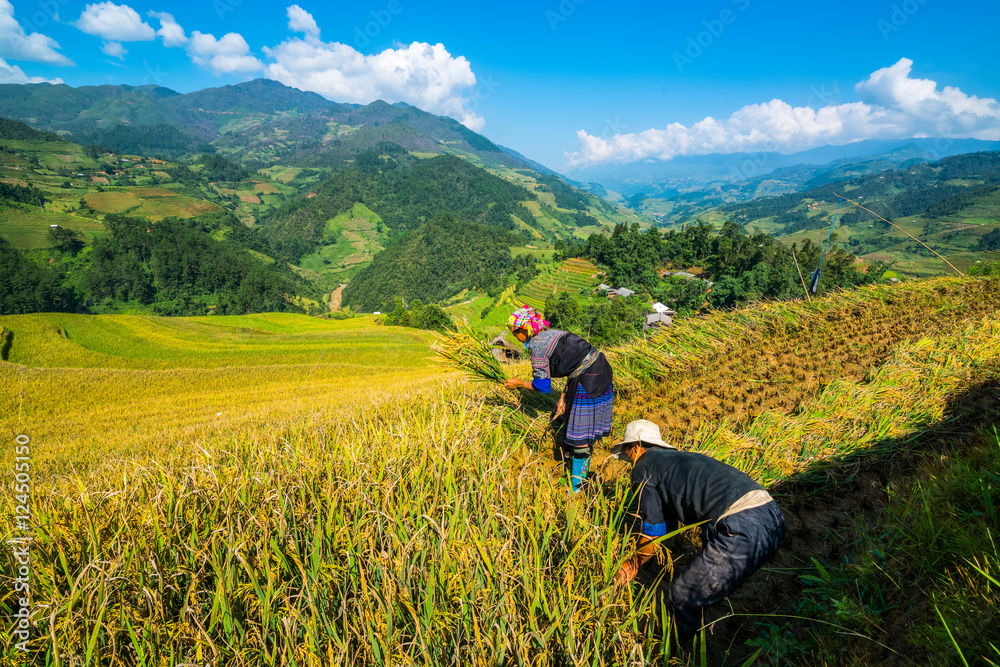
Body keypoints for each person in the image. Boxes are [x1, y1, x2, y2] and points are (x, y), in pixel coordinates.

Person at [611, 419, 785, 638]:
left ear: (635, 447)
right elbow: (668, 523)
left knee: (684, 594)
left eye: (627, 454)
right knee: (703, 572)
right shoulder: (679, 461)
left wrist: (632, 564)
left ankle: (671, 655)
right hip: (772, 515)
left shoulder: (643, 466)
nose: (629, 461)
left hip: (743, 524)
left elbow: (652, 532)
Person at [502, 306, 614, 493]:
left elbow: (543, 387)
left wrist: (520, 384)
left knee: (581, 437)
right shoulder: (553, 334)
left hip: (590, 379)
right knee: (561, 412)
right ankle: (568, 451)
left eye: (515, 335)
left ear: (522, 331)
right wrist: (563, 396)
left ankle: (578, 485)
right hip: (600, 368)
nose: (517, 339)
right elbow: (574, 366)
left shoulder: (537, 347)